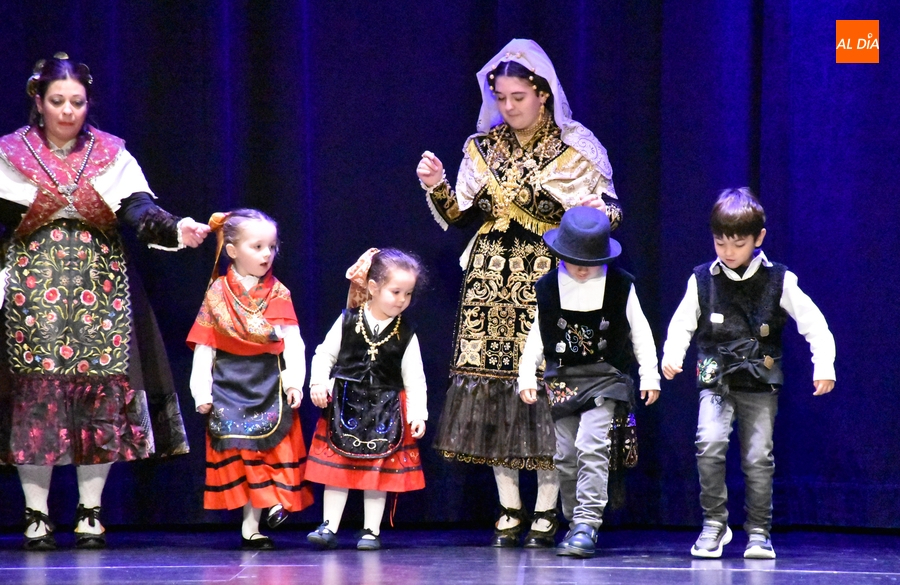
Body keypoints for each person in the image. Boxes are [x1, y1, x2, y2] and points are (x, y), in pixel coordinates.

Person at [415, 38, 623, 546]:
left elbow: (611, 215)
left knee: (546, 386)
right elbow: (458, 216)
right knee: (493, 388)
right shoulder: (482, 147)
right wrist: (437, 185)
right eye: (502, 97)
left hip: (546, 280)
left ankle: (549, 507)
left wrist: (584, 213)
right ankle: (509, 504)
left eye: (518, 97)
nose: (508, 107)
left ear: (543, 94)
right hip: (488, 282)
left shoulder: (575, 148)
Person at [0, 53, 210, 550]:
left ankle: (90, 511)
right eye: (57, 101)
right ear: (38, 100)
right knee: (36, 400)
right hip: (33, 294)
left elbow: (139, 208)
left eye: (77, 101)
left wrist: (178, 228)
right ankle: (36, 514)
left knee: (100, 400)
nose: (68, 111)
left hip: (101, 292)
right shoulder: (10, 153)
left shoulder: (111, 154)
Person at [661, 188, 836, 559]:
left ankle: (758, 531)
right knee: (708, 445)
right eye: (720, 242)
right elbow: (681, 324)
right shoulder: (702, 280)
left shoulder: (779, 280)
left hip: (759, 381)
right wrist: (671, 355)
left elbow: (814, 324)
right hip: (716, 380)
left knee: (758, 458)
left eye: (738, 243)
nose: (727, 251)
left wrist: (824, 365)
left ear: (759, 239)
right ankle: (714, 525)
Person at [517, 206, 659, 556]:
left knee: (592, 446)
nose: (581, 267)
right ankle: (572, 516)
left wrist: (650, 373)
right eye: (573, 258)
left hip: (605, 377)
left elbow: (640, 332)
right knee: (564, 455)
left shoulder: (621, 285)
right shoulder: (548, 287)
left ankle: (586, 523)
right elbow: (538, 335)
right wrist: (526, 374)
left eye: (589, 260)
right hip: (563, 379)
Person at [187, 209, 313, 550]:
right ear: (231, 250)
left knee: (267, 446)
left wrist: (294, 382)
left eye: (271, 247)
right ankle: (253, 522)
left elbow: (293, 343)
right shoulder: (217, 294)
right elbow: (204, 348)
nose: (266, 255)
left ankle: (264, 512)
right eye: (257, 247)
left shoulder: (278, 294)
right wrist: (201, 391)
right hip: (229, 385)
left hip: (267, 382)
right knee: (241, 449)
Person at [305, 248, 428, 551]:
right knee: (338, 472)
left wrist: (418, 414)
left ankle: (371, 530)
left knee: (378, 473)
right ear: (373, 288)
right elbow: (324, 354)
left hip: (385, 410)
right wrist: (318, 383)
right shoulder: (348, 320)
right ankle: (329, 525)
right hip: (345, 406)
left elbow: (415, 378)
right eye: (395, 291)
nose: (401, 299)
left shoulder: (407, 333)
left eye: (408, 293)